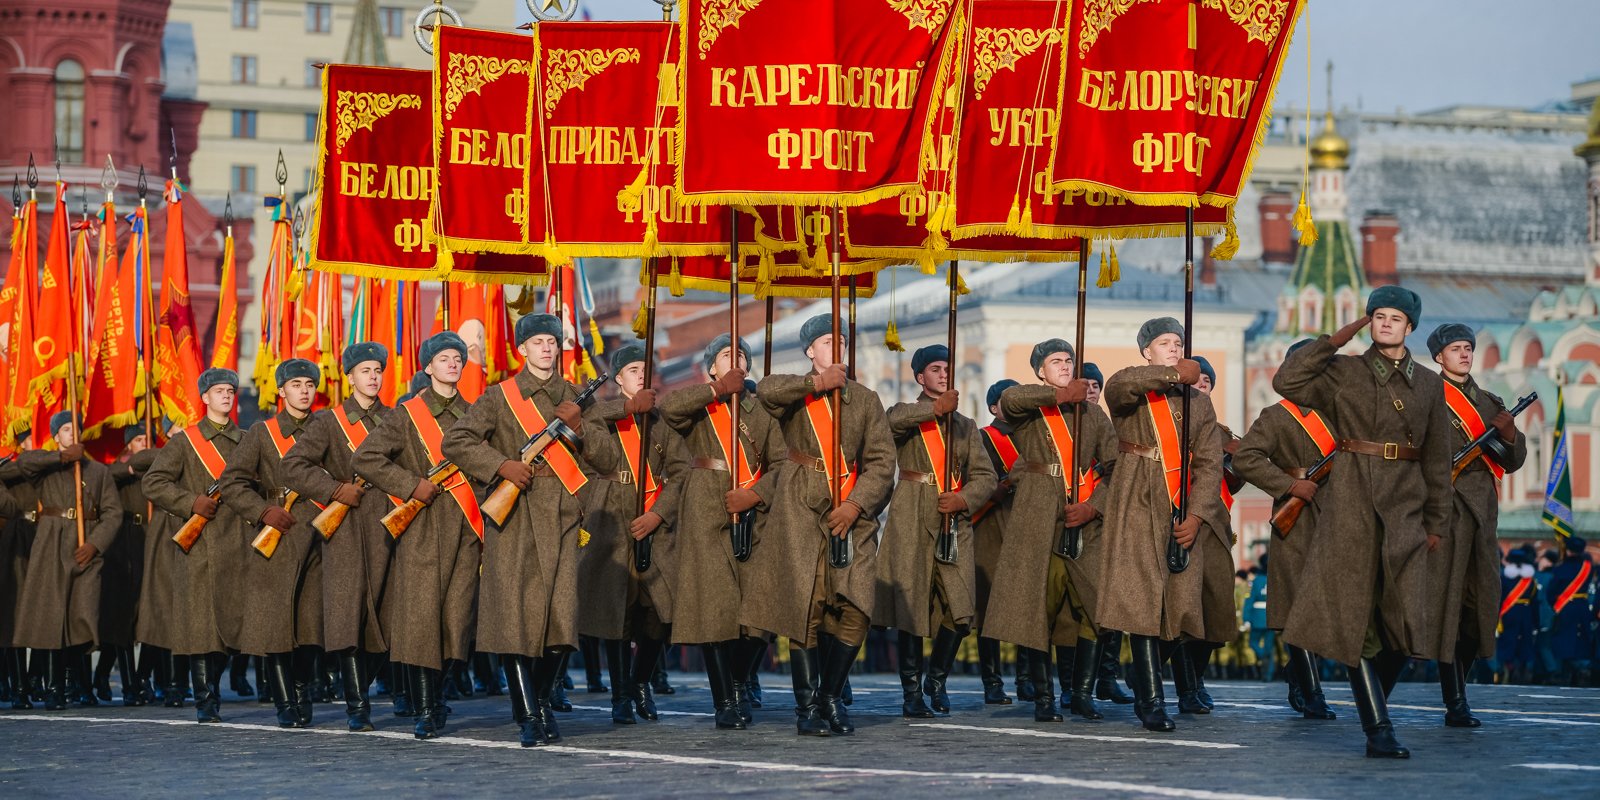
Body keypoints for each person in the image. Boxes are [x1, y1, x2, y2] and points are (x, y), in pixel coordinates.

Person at [1272, 286, 1454, 758]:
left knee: (1405, 626)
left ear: (1410, 327)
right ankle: (1379, 728)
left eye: (1396, 317)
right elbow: (1287, 382)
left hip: (1407, 506)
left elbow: (1438, 459)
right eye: (1378, 316)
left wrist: (1436, 521)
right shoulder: (1343, 371)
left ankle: (1372, 703)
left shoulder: (1431, 384)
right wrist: (1334, 340)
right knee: (1358, 620)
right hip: (1352, 502)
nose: (1386, 323)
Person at [442, 314, 590, 748]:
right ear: (521, 349)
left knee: (562, 624)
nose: (547, 348)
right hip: (514, 516)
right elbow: (457, 441)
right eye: (538, 342)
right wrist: (501, 465)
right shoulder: (499, 397)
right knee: (515, 622)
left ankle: (541, 701)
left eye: (552, 341)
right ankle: (528, 714)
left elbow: (600, 455)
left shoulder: (575, 396)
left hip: (562, 515)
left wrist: (579, 428)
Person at [751, 314, 896, 736]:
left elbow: (882, 461)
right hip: (800, 506)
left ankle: (831, 695)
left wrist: (855, 504)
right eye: (826, 342)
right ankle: (808, 707)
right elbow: (766, 392)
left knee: (856, 609)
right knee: (806, 609)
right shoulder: (797, 393)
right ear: (810, 351)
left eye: (842, 341)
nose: (837, 348)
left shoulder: (866, 400)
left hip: (852, 511)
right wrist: (817, 385)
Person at [1095, 318, 1224, 733]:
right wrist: (1170, 374)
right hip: (1136, 496)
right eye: (1164, 343)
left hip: (1179, 503)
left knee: (1181, 606)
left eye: (1179, 343)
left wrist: (1198, 515)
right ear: (1146, 351)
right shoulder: (1131, 387)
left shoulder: (1198, 403)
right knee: (1141, 603)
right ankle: (1150, 700)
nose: (1173, 347)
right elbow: (1118, 388)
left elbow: (1208, 463)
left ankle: (1141, 677)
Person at [354, 332, 481, 740]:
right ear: (428, 367)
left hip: (465, 525)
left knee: (457, 620)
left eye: (457, 359)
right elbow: (366, 458)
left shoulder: (475, 412)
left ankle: (440, 693)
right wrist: (410, 485)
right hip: (422, 525)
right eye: (443, 359)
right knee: (423, 620)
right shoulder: (407, 414)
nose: (452, 364)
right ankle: (426, 707)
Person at [989, 339, 1114, 723]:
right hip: (1038, 516)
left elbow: (1114, 467)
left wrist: (1095, 506)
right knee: (1038, 610)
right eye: (1055, 362)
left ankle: (1081, 693)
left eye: (1069, 361)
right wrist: (1058, 395)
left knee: (1094, 609)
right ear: (1040, 371)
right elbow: (1011, 400)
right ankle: (1045, 697)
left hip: (1084, 517)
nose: (1064, 365)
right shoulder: (1032, 409)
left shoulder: (1093, 416)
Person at [661, 334, 781, 729]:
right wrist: (715, 390)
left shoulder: (762, 410)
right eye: (727, 356)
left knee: (759, 616)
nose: (737, 361)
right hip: (705, 509)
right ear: (712, 366)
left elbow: (781, 463)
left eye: (742, 356)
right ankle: (726, 700)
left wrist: (756, 494)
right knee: (716, 612)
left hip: (753, 512)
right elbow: (668, 409)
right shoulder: (702, 405)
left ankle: (741, 678)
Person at [876, 345, 996, 719]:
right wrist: (934, 409)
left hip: (952, 518)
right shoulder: (906, 414)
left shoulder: (965, 426)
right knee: (911, 610)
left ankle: (937, 680)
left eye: (947, 368)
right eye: (935, 369)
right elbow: (890, 422)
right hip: (912, 513)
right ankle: (912, 692)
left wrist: (964, 500)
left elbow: (986, 476)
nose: (943, 374)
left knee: (960, 613)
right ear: (919, 377)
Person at [281, 342, 393, 732]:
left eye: (378, 370)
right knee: (348, 621)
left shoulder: (394, 418)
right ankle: (357, 706)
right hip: (344, 528)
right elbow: (292, 465)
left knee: (387, 619)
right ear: (349, 377)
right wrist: (331, 489)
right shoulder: (329, 422)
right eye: (365, 371)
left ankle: (364, 687)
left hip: (387, 524)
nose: (373, 377)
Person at [580, 343, 689, 725]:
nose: (640, 375)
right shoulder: (606, 413)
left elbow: (679, 472)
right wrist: (628, 408)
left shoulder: (662, 421)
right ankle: (620, 694)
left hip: (654, 522)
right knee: (616, 615)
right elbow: (586, 418)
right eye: (632, 370)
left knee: (659, 613)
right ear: (618, 378)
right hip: (613, 515)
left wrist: (659, 514)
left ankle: (641, 680)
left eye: (645, 369)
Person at [1232, 343, 1339, 720]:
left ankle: (1297, 671)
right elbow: (1245, 457)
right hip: (1298, 518)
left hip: (1339, 517)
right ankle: (1312, 693)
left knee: (1331, 607)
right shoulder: (1276, 416)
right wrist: (1289, 486)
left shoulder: (1340, 413)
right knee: (1298, 608)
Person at [1427, 323, 1527, 725]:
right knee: (1447, 606)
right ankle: (1455, 701)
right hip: (1445, 513)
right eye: (1456, 348)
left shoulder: (1490, 402)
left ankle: (1459, 690)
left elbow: (1512, 461)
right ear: (1439, 356)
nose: (1465, 354)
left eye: (1468, 347)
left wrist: (1511, 433)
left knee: (1479, 607)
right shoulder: (1427, 398)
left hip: (1483, 516)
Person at [221, 358, 326, 728]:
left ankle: (302, 690)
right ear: (281, 391)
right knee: (277, 625)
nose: (304, 390)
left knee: (312, 626)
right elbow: (232, 481)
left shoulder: (325, 427)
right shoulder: (263, 433)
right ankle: (285, 700)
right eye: (296, 384)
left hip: (319, 533)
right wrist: (263, 512)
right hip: (278, 534)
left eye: (309, 384)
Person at [140, 369, 246, 717]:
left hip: (236, 543)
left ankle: (214, 686)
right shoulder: (185, 442)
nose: (226, 397)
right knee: (201, 628)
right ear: (204, 398)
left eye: (230, 391)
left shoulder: (246, 439)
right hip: (199, 543)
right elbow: (154, 482)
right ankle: (206, 699)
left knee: (229, 626)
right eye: (219, 391)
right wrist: (190, 503)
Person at [11, 413, 113, 711]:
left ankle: (76, 681)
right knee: (52, 620)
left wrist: (96, 543)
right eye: (66, 430)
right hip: (51, 546)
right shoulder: (47, 468)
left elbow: (112, 512)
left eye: (77, 429)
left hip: (85, 547)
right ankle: (55, 688)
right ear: (56, 437)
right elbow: (24, 463)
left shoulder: (98, 472)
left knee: (82, 616)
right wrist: (62, 457)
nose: (73, 434)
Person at [99, 429, 158, 705]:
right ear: (128, 445)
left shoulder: (158, 465)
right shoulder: (119, 468)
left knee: (150, 614)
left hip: (152, 540)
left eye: (148, 441)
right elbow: (108, 476)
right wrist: (132, 467)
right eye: (138, 441)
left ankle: (142, 676)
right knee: (123, 616)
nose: (144, 445)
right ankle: (129, 683)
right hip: (125, 542)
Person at [973, 379, 1021, 706]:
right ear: (994, 407)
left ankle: (1028, 676)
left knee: (1028, 605)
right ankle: (992, 680)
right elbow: (974, 480)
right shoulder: (982, 438)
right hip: (990, 526)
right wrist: (997, 489)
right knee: (988, 607)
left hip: (1022, 525)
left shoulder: (1033, 437)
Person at [1547, 537, 1594, 685]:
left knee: (1564, 640)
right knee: (1581, 639)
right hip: (1583, 607)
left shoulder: (1560, 568)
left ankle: (1566, 672)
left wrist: (1556, 605)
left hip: (1565, 608)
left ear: (1568, 550)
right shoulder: (1588, 567)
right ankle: (1581, 670)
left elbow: (1551, 592)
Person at [1496, 549, 1539, 685]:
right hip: (1526, 614)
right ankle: (1522, 670)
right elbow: (1535, 603)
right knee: (1525, 642)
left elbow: (1499, 599)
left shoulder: (1504, 578)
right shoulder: (1531, 581)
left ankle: (1509, 668)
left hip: (1509, 614)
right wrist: (1536, 622)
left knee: (1508, 642)